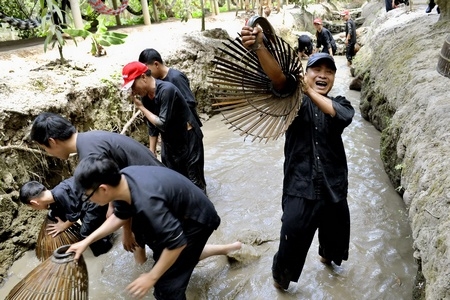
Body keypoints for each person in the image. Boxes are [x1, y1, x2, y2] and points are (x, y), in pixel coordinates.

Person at [240, 23, 355, 290]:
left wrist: (309, 90)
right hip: (299, 188)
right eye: (317, 69)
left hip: (333, 188)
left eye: (329, 71)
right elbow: (278, 77)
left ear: (335, 78)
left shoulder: (341, 104)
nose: (323, 75)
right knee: (286, 267)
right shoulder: (292, 100)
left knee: (332, 254)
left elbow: (340, 115)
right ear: (306, 73)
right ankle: (280, 279)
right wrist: (259, 47)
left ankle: (327, 257)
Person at [67, 155, 241, 299]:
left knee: (166, 288)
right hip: (180, 213)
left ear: (103, 189)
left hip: (197, 221)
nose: (89, 201)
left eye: (88, 196)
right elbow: (119, 216)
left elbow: (177, 244)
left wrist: (151, 277)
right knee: (173, 258)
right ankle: (231, 248)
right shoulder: (123, 179)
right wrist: (86, 242)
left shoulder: (147, 201)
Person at [29, 112, 165, 262]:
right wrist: (112, 208)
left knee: (168, 253)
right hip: (154, 183)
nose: (49, 153)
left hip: (155, 197)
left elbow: (122, 194)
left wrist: (126, 230)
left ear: (52, 141)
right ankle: (141, 268)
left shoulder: (90, 155)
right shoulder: (90, 140)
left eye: (45, 148)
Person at [122, 61, 207, 194]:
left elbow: (162, 122)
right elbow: (152, 125)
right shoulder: (146, 97)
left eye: (133, 85)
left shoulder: (167, 90)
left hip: (188, 141)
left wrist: (141, 108)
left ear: (143, 77)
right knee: (174, 184)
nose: (133, 91)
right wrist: (152, 150)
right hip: (169, 143)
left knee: (196, 186)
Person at [19, 178, 112, 256]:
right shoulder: (55, 194)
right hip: (88, 201)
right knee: (90, 224)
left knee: (85, 232)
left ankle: (105, 252)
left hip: (95, 202)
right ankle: (107, 235)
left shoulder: (60, 194)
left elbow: (74, 216)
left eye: (31, 207)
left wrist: (63, 226)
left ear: (34, 203)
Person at [138, 48, 203, 128]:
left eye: (147, 70)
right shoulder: (155, 81)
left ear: (156, 64)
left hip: (187, 128)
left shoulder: (176, 77)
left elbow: (190, 102)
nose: (147, 74)